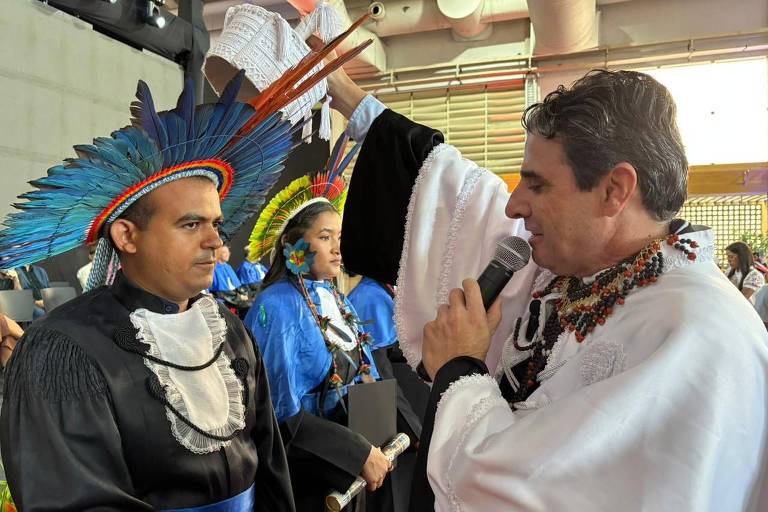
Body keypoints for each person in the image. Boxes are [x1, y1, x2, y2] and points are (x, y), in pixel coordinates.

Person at [327, 67, 768, 510]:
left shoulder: (696, 336)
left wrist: (460, 368)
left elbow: (529, 493)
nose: (515, 205)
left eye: (536, 184)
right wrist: (349, 97)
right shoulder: (587, 272)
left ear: (614, 190)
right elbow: (461, 196)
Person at [0, 74, 299, 510]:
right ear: (127, 235)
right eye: (191, 224)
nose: (215, 241)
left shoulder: (231, 334)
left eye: (215, 223)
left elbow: (270, 472)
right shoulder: (63, 351)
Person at [244, 165, 410, 511]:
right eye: (325, 237)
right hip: (309, 473)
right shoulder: (276, 307)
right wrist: (357, 451)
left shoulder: (335, 297)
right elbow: (278, 416)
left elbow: (366, 369)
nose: (338, 248)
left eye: (339, 237)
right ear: (293, 245)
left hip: (351, 462)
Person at [347, 274, 426, 511]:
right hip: (393, 421)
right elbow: (378, 373)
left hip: (412, 412)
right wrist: (414, 428)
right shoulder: (368, 297)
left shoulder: (386, 289)